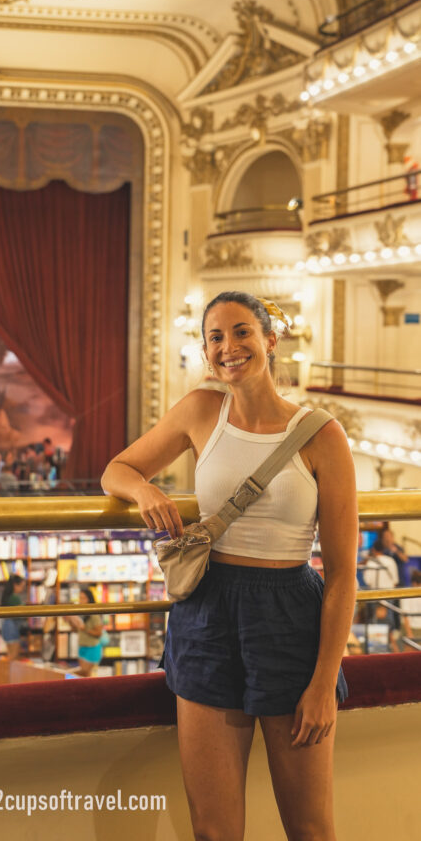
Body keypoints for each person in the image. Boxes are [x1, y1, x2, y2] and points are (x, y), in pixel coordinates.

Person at [101, 290, 358, 841]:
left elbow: (341, 574)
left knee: (310, 829)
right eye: (215, 337)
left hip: (289, 615)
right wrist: (144, 490)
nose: (228, 347)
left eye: (241, 332)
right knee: (214, 830)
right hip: (206, 614)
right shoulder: (200, 410)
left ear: (270, 339)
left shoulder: (322, 434)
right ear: (205, 350)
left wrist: (321, 683)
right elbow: (117, 470)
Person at [65, 586, 106, 677]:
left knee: (84, 672)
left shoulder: (94, 614)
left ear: (89, 599)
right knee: (84, 676)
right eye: (80, 598)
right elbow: (77, 630)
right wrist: (71, 621)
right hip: (82, 646)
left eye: (83, 598)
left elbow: (99, 633)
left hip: (92, 647)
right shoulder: (80, 613)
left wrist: (85, 629)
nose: (81, 600)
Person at [0, 574, 26, 659]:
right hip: (12, 627)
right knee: (13, 656)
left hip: (7, 626)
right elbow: (21, 614)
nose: (22, 589)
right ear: (15, 585)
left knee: (10, 655)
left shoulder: (7, 597)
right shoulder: (14, 598)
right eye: (21, 587)